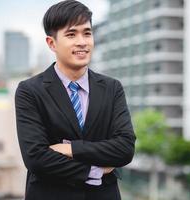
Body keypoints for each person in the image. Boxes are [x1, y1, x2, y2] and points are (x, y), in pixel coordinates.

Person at [15, 1, 136, 199]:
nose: (82, 42)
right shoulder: (30, 90)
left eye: (87, 33)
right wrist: (95, 171)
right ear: (52, 43)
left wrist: (71, 148)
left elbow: (124, 148)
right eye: (71, 34)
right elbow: (36, 157)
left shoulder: (112, 88)